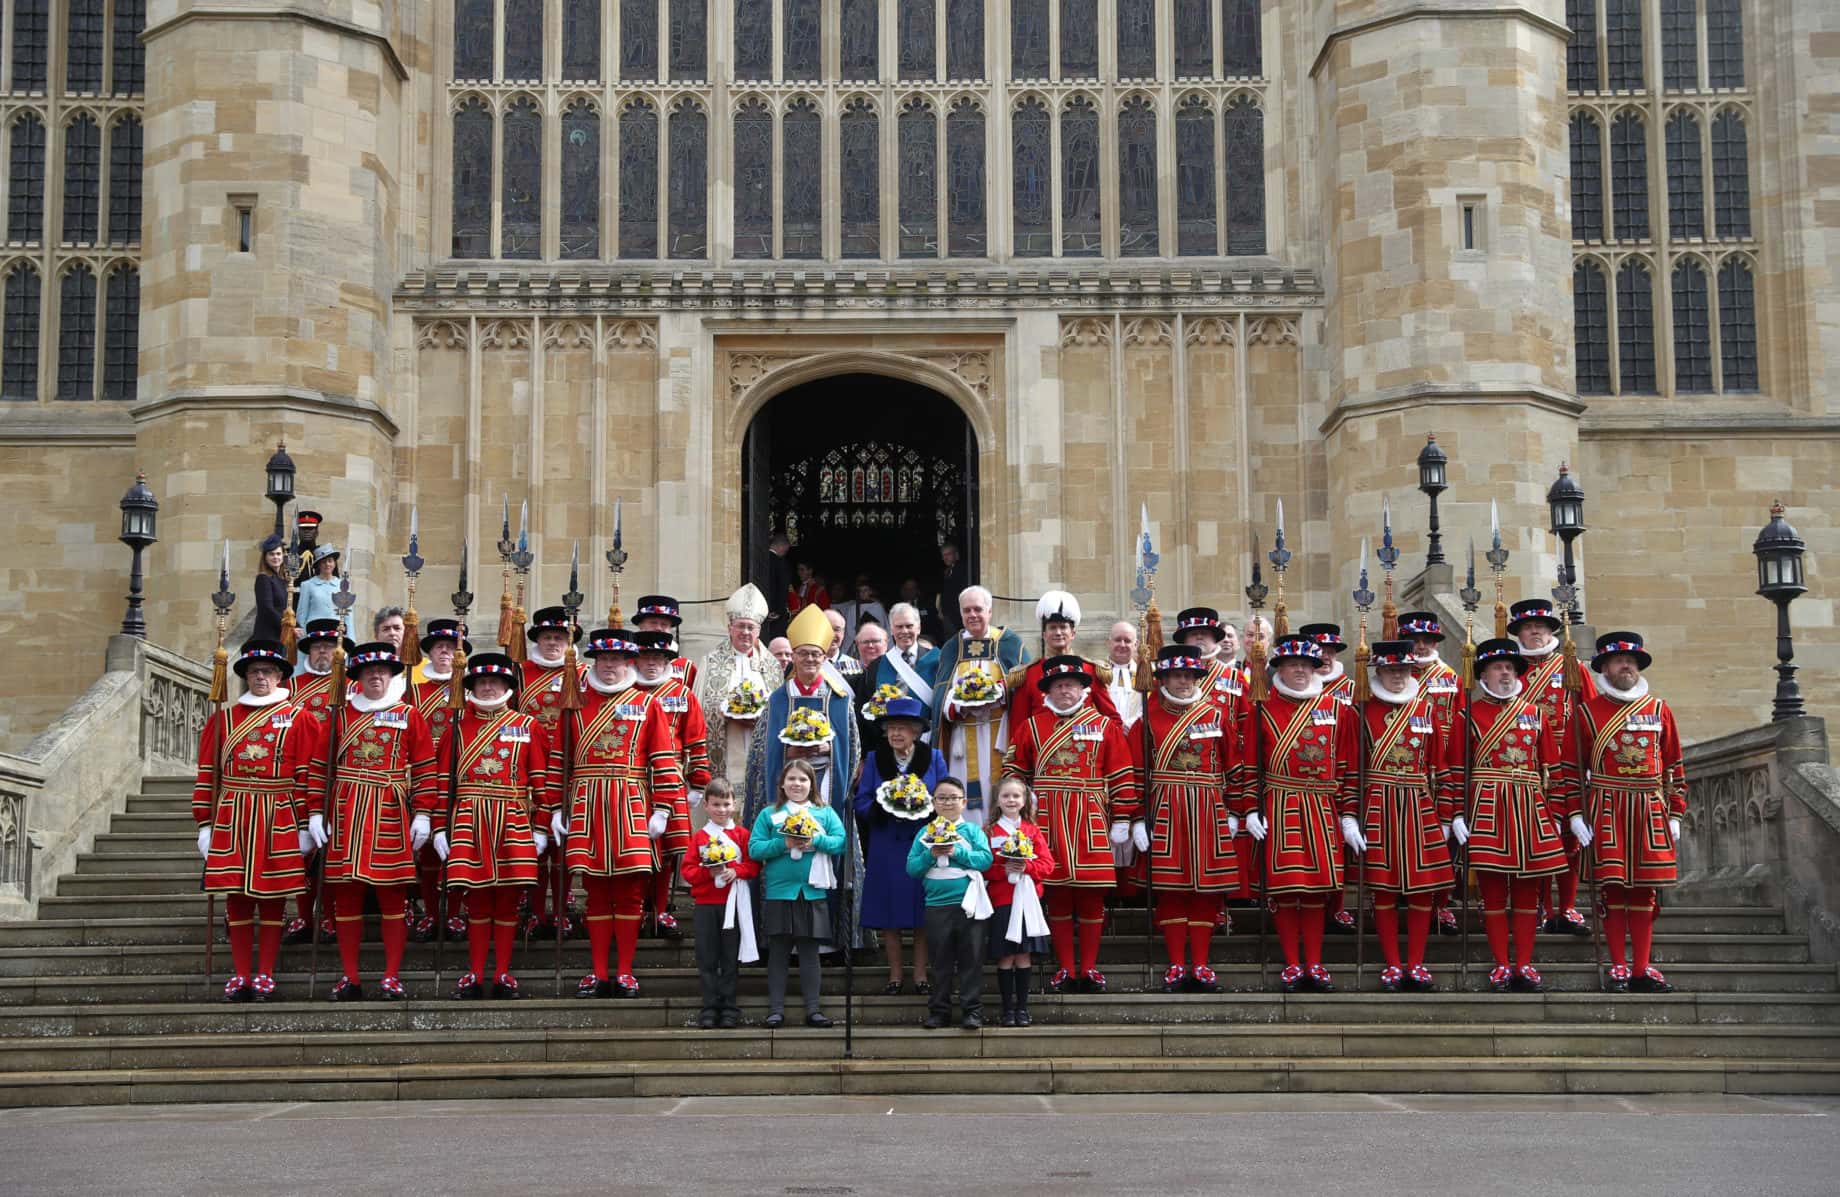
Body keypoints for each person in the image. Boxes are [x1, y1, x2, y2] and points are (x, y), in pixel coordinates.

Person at [307, 642, 436, 1001]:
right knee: (345, 897)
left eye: (382, 671)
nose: (376, 677)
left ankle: (391, 976)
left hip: (391, 811)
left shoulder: (410, 715)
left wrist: (424, 812)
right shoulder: (338, 716)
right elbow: (320, 768)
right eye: (368, 672)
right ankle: (350, 977)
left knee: (393, 896)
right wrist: (315, 811)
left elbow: (426, 768)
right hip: (346, 811)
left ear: (391, 675)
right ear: (358, 678)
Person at [1002, 656, 1139, 993]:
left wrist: (1122, 817)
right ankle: (1065, 968)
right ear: (1048, 690)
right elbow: (1013, 771)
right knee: (1059, 896)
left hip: (1090, 818)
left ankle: (1089, 968)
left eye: (1072, 684)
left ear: (1083, 689)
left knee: (1092, 896)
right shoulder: (1031, 726)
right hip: (1045, 820)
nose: (1065, 690)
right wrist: (1020, 808)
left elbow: (1121, 774)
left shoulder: (1105, 726)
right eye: (1059, 685)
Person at [561, 628, 684, 998]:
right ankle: (599, 972)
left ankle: (626, 971)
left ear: (627, 662)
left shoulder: (648, 705)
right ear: (593, 662)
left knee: (630, 893)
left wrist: (663, 808)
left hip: (630, 803)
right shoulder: (574, 703)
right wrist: (553, 808)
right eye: (603, 660)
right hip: (586, 803)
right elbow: (558, 761)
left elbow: (663, 759)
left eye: (615, 660)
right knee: (596, 893)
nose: (609, 666)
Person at [192, 640, 317, 1001]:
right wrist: (205, 823)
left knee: (274, 896)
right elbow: (207, 775)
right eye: (254, 672)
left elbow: (309, 775)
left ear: (280, 676)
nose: (261, 677)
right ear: (246, 677)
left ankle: (265, 973)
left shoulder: (300, 717)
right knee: (238, 896)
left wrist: (306, 824)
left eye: (268, 672)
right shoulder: (224, 719)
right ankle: (241, 973)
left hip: (279, 813)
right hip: (233, 813)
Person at [1564, 632, 1688, 993]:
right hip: (1606, 806)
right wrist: (1575, 813)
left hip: (1649, 808)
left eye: (1632, 662)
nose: (1626, 667)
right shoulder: (1586, 712)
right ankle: (1618, 965)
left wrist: (1676, 812)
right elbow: (1571, 768)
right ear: (1604, 668)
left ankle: (1642, 967)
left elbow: (1674, 766)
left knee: (1644, 892)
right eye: (1619, 661)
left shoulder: (1659, 709)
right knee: (1613, 891)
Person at [425, 652, 554, 1000]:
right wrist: (439, 827)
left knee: (508, 901)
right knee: (477, 901)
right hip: (468, 818)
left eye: (493, 682)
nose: (486, 687)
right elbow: (443, 783)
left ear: (506, 687)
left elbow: (541, 782)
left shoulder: (528, 727)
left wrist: (541, 827)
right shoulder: (456, 727)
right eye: (480, 682)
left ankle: (502, 972)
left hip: (513, 818)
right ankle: (476, 971)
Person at [1453, 638, 1574, 993]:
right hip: (1487, 806)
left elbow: (1552, 768)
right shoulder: (1467, 716)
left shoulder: (1535, 715)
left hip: (1530, 806)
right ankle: (1502, 964)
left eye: (1510, 667)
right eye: (1497, 667)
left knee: (1526, 892)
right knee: (1492, 891)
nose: (1505, 673)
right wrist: (1457, 814)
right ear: (1484, 675)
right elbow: (1457, 770)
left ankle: (1524, 962)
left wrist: (1557, 813)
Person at [1244, 634, 1361, 993]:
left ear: (1316, 668)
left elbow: (1349, 766)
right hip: (1279, 805)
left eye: (1306, 664)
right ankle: (1293, 963)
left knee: (1315, 892)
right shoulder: (1260, 709)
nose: (1299, 670)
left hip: (1322, 807)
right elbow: (1251, 766)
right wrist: (1250, 809)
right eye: (1291, 664)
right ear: (1279, 668)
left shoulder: (1339, 709)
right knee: (1285, 889)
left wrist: (1349, 815)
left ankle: (1314, 961)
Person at [744, 605, 862, 949]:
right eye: (803, 654)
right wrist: (790, 755)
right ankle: (783, 939)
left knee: (821, 850)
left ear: (826, 656)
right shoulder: (778, 700)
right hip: (787, 790)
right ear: (792, 656)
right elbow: (763, 754)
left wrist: (829, 750)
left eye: (816, 654)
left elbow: (851, 750)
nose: (810, 660)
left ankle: (829, 940)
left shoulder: (839, 700)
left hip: (826, 788)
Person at [1138, 645, 1243, 993]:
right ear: (1163, 679)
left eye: (1188, 675)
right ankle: (1175, 964)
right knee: (1171, 891)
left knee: (1206, 891)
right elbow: (1136, 773)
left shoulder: (1218, 713)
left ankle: (1200, 963)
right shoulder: (1147, 715)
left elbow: (1235, 766)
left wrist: (1236, 810)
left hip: (1209, 809)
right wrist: (1136, 818)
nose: (1182, 682)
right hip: (1165, 808)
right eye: (1175, 675)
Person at [1358, 641, 1460, 992]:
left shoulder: (1426, 710)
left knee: (1423, 889)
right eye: (1390, 670)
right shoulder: (1360, 711)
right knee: (1383, 890)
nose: (1398, 676)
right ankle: (1392, 963)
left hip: (1419, 804)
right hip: (1378, 805)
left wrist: (1447, 814)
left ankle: (1416, 962)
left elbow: (1440, 766)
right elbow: (1352, 770)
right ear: (1379, 672)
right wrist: (1349, 817)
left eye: (1403, 670)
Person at [1510, 598, 1592, 937]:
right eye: (1529, 629)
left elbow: (1588, 715)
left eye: (1541, 628)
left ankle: (1567, 906)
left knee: (1570, 837)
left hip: (1567, 763)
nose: (1535, 633)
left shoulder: (1571, 668)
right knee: (1535, 839)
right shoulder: (1510, 670)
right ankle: (1542, 905)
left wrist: (1589, 761)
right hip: (1527, 766)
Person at [853, 697, 946, 994]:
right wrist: (884, 808)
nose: (896, 734)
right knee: (889, 914)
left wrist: (925, 806)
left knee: (921, 914)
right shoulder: (874, 758)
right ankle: (895, 975)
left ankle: (920, 975)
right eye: (891, 728)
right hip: (886, 846)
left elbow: (945, 798)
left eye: (903, 728)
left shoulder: (933, 758)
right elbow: (861, 801)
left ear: (916, 732)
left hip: (922, 844)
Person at [749, 759, 847, 1028]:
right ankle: (776, 1009)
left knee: (809, 953)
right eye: (791, 779)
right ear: (782, 783)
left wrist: (815, 840)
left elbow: (840, 842)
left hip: (812, 893)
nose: (797, 784)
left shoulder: (824, 813)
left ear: (811, 784)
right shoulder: (768, 814)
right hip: (780, 893)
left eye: (803, 779)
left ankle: (814, 1009)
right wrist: (784, 843)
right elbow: (755, 849)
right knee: (778, 952)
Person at [633, 630, 714, 940]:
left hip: (672, 779)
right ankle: (638, 907)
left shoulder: (683, 696)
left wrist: (697, 782)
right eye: (646, 658)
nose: (652, 664)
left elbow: (696, 740)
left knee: (667, 849)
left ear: (667, 660)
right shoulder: (625, 691)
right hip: (635, 782)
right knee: (638, 848)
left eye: (658, 658)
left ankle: (662, 908)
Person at [931, 585, 1030, 818]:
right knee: (964, 794)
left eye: (978, 609)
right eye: (967, 611)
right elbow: (940, 696)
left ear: (990, 611)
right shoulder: (951, 648)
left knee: (999, 788)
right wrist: (956, 705)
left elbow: (1023, 684)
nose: (972, 615)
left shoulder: (1009, 643)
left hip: (1000, 735)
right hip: (963, 739)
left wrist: (997, 692)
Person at [906, 777, 994, 1029]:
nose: (947, 803)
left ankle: (972, 1011)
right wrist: (930, 854)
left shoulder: (973, 831)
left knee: (971, 959)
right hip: (936, 905)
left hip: (969, 904)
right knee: (940, 961)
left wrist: (958, 852)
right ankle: (939, 1011)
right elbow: (911, 868)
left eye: (953, 798)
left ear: (964, 802)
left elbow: (985, 860)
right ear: (933, 802)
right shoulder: (924, 832)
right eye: (941, 798)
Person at [519, 605, 583, 933]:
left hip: (566, 769)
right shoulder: (520, 673)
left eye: (559, 637)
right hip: (528, 768)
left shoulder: (582, 674)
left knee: (561, 843)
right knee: (532, 842)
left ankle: (560, 905)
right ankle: (533, 908)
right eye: (547, 637)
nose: (553, 643)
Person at [406, 618, 468, 941]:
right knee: (427, 850)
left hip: (460, 777)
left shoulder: (471, 691)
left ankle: (455, 912)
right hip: (422, 777)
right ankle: (430, 912)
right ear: (429, 652)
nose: (445, 653)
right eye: (440, 647)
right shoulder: (412, 691)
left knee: (457, 848)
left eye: (451, 648)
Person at [680, 778, 759, 1028]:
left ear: (734, 804)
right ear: (706, 806)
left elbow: (754, 864)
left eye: (726, 804)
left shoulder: (742, 835)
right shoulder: (700, 837)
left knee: (729, 957)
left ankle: (729, 1006)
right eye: (716, 804)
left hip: (733, 904)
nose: (721, 810)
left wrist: (736, 871)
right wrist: (708, 873)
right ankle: (709, 1006)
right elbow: (688, 871)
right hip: (706, 905)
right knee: (707, 956)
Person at [984, 776, 1056, 1027]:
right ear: (997, 800)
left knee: (1024, 955)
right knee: (1006, 956)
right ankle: (1007, 1010)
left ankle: (1022, 1009)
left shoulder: (1032, 830)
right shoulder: (990, 831)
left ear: (1024, 800)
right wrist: (1002, 870)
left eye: (1016, 796)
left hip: (1028, 902)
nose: (1011, 800)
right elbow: (984, 867)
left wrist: (1027, 866)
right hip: (1003, 900)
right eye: (1006, 796)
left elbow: (1048, 865)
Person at [698, 583, 784, 790]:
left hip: (760, 747)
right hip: (725, 750)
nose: (745, 632)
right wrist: (724, 715)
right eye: (740, 626)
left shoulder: (772, 665)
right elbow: (700, 709)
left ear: (759, 630)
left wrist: (761, 719)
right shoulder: (710, 662)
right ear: (730, 628)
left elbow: (781, 711)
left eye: (750, 627)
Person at [1006, 591, 1121, 740]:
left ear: (1073, 633)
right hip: (1043, 751)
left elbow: (1112, 720)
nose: (1058, 632)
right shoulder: (1028, 674)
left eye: (1063, 627)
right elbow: (1018, 727)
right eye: (1052, 628)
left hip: (1085, 753)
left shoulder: (1091, 670)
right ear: (1044, 634)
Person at [872, 603, 941, 727]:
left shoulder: (938, 660)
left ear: (918, 628)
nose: (904, 631)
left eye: (909, 626)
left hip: (928, 736)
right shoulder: (876, 666)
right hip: (890, 737)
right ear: (892, 630)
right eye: (899, 627)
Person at [633, 595, 699, 688]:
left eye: (664, 624)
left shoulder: (686, 667)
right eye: (653, 623)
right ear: (640, 625)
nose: (659, 628)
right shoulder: (625, 663)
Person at [851, 622, 892, 755]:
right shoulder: (848, 673)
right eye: (865, 642)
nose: (870, 646)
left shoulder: (897, 671)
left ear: (886, 643)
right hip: (861, 747)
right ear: (857, 645)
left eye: (875, 641)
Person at [1105, 620, 1143, 729]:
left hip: (1136, 735)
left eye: (1127, 641)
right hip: (1104, 735)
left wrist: (1130, 725)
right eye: (1117, 640)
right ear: (1109, 642)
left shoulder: (1146, 675)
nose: (1122, 645)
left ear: (1136, 644)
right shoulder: (1097, 672)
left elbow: (1151, 707)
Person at [253, 535, 290, 643]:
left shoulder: (281, 579)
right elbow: (267, 609)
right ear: (265, 557)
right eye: (271, 554)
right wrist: (286, 627)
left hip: (279, 634)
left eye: (278, 554)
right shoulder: (263, 578)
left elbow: (284, 608)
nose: (275, 557)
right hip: (267, 635)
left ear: (283, 556)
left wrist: (295, 625)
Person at [296, 545, 342, 628]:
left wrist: (350, 639)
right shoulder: (307, 585)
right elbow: (302, 615)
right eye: (324, 562)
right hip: (314, 633)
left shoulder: (343, 585)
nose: (327, 564)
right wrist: (301, 639)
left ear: (334, 563)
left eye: (330, 561)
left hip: (336, 632)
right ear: (319, 565)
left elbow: (348, 617)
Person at [836, 577, 890, 645]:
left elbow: (883, 626)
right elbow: (849, 629)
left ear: (870, 591)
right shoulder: (853, 608)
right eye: (861, 591)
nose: (863, 593)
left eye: (866, 590)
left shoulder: (877, 607)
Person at [763, 532, 795, 639]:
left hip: (759, 610)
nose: (786, 552)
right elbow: (782, 589)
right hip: (775, 615)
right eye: (786, 549)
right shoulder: (781, 563)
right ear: (782, 546)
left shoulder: (759, 560)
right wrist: (777, 611)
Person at [898, 577, 945, 645]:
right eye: (907, 589)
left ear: (917, 590)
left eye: (912, 588)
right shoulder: (898, 608)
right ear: (902, 591)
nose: (909, 591)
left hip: (927, 640)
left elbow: (936, 625)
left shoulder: (927, 604)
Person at [936, 542, 969, 635]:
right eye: (943, 555)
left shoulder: (962, 569)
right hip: (948, 614)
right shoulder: (947, 571)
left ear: (956, 555)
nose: (945, 558)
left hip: (957, 614)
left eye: (948, 554)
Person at [824, 609, 863, 678]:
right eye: (827, 629)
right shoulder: (808, 664)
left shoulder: (855, 668)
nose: (832, 634)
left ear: (843, 633)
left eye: (837, 629)